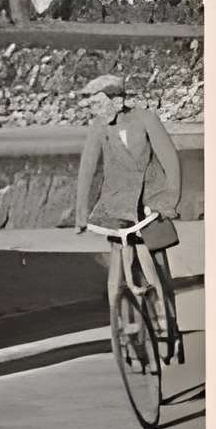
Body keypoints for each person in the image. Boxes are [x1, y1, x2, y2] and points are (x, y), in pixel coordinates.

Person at [74, 72, 182, 351]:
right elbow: (87, 169)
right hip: (117, 202)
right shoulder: (99, 127)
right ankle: (119, 327)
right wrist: (81, 213)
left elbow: (170, 160)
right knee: (117, 263)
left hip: (150, 198)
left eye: (98, 102)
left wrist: (169, 200)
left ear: (117, 100)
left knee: (156, 264)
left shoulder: (145, 119)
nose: (94, 109)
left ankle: (167, 322)